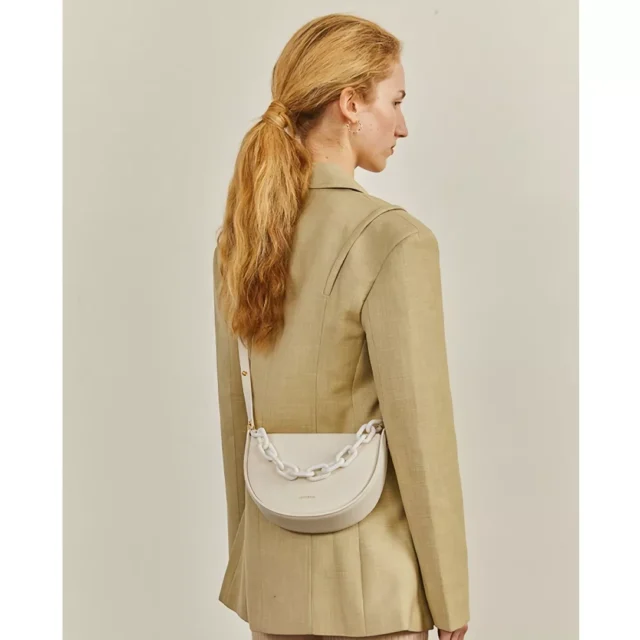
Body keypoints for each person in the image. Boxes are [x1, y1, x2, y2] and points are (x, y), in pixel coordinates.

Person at [212, 13, 470, 640]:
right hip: (374, 596)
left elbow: (238, 424)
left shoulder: (243, 242)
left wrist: (249, 566)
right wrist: (451, 599)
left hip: (273, 589)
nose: (403, 125)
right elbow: (422, 437)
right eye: (395, 101)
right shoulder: (394, 240)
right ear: (351, 103)